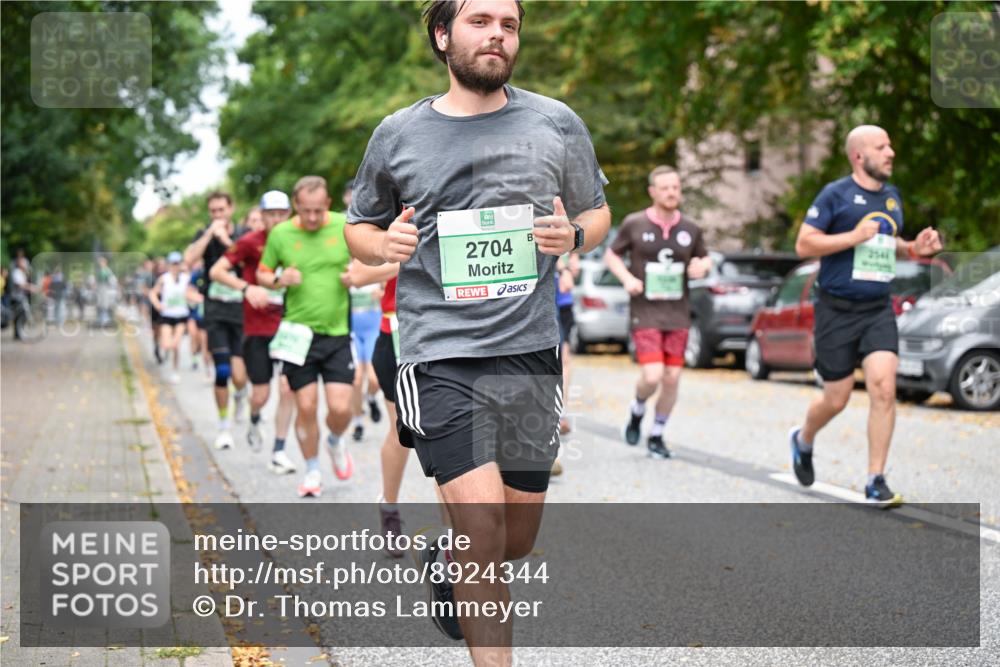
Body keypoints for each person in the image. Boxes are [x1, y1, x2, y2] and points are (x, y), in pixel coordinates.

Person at [345, 0, 610, 659]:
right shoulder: (399, 134)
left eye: (509, 24)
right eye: (480, 20)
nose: (497, 34)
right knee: (483, 525)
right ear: (443, 35)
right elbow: (359, 225)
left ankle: (446, 558)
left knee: (512, 538)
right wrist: (386, 244)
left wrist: (573, 234)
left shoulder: (556, 123)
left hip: (526, 354)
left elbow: (598, 212)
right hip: (438, 355)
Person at [789, 124, 943, 507]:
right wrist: (853, 236)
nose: (891, 152)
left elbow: (887, 245)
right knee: (837, 398)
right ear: (859, 156)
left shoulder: (892, 196)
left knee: (883, 388)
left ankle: (876, 479)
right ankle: (803, 438)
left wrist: (915, 248)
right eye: (881, 146)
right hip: (836, 309)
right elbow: (804, 243)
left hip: (877, 308)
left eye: (890, 145)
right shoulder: (835, 195)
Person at [257, 176, 355, 497]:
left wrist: (358, 273)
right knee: (307, 406)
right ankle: (312, 470)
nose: (312, 218)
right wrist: (278, 278)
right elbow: (262, 273)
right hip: (299, 337)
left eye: (318, 210)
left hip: (337, 333)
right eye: (305, 211)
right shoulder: (281, 234)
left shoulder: (344, 225)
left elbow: (367, 258)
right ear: (295, 206)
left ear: (327, 204)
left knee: (341, 410)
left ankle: (335, 441)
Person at [605, 166, 712, 459]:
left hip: (678, 312)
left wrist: (703, 266)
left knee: (672, 378)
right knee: (652, 377)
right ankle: (638, 409)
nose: (671, 193)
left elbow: (704, 259)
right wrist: (627, 279)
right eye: (665, 188)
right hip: (646, 311)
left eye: (675, 187)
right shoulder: (635, 223)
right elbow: (611, 254)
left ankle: (657, 434)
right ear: (652, 191)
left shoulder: (690, 228)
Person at [210, 190, 299, 474]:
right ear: (260, 215)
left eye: (281, 214)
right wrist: (248, 288)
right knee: (260, 394)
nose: (275, 219)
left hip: (289, 326)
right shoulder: (249, 242)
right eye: (270, 214)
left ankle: (279, 450)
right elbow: (217, 271)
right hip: (257, 328)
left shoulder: (299, 241)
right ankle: (255, 415)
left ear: (289, 214)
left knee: (287, 388)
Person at [184, 192, 250, 450]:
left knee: (240, 375)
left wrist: (225, 239)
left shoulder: (244, 234)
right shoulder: (204, 234)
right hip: (215, 312)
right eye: (213, 211)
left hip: (241, 311)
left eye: (221, 210)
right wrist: (210, 235)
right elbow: (190, 259)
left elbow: (246, 263)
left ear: (231, 208)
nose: (217, 215)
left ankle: (241, 395)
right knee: (222, 370)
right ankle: (224, 427)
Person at [148, 252, 191, 384]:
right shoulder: (164, 279)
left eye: (177, 263)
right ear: (169, 265)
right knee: (167, 344)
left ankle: (175, 371)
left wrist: (197, 299)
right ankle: (162, 347)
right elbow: (152, 293)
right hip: (167, 316)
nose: (175, 266)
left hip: (181, 315)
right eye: (173, 264)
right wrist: (157, 304)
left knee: (176, 345)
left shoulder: (186, 278)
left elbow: (191, 293)